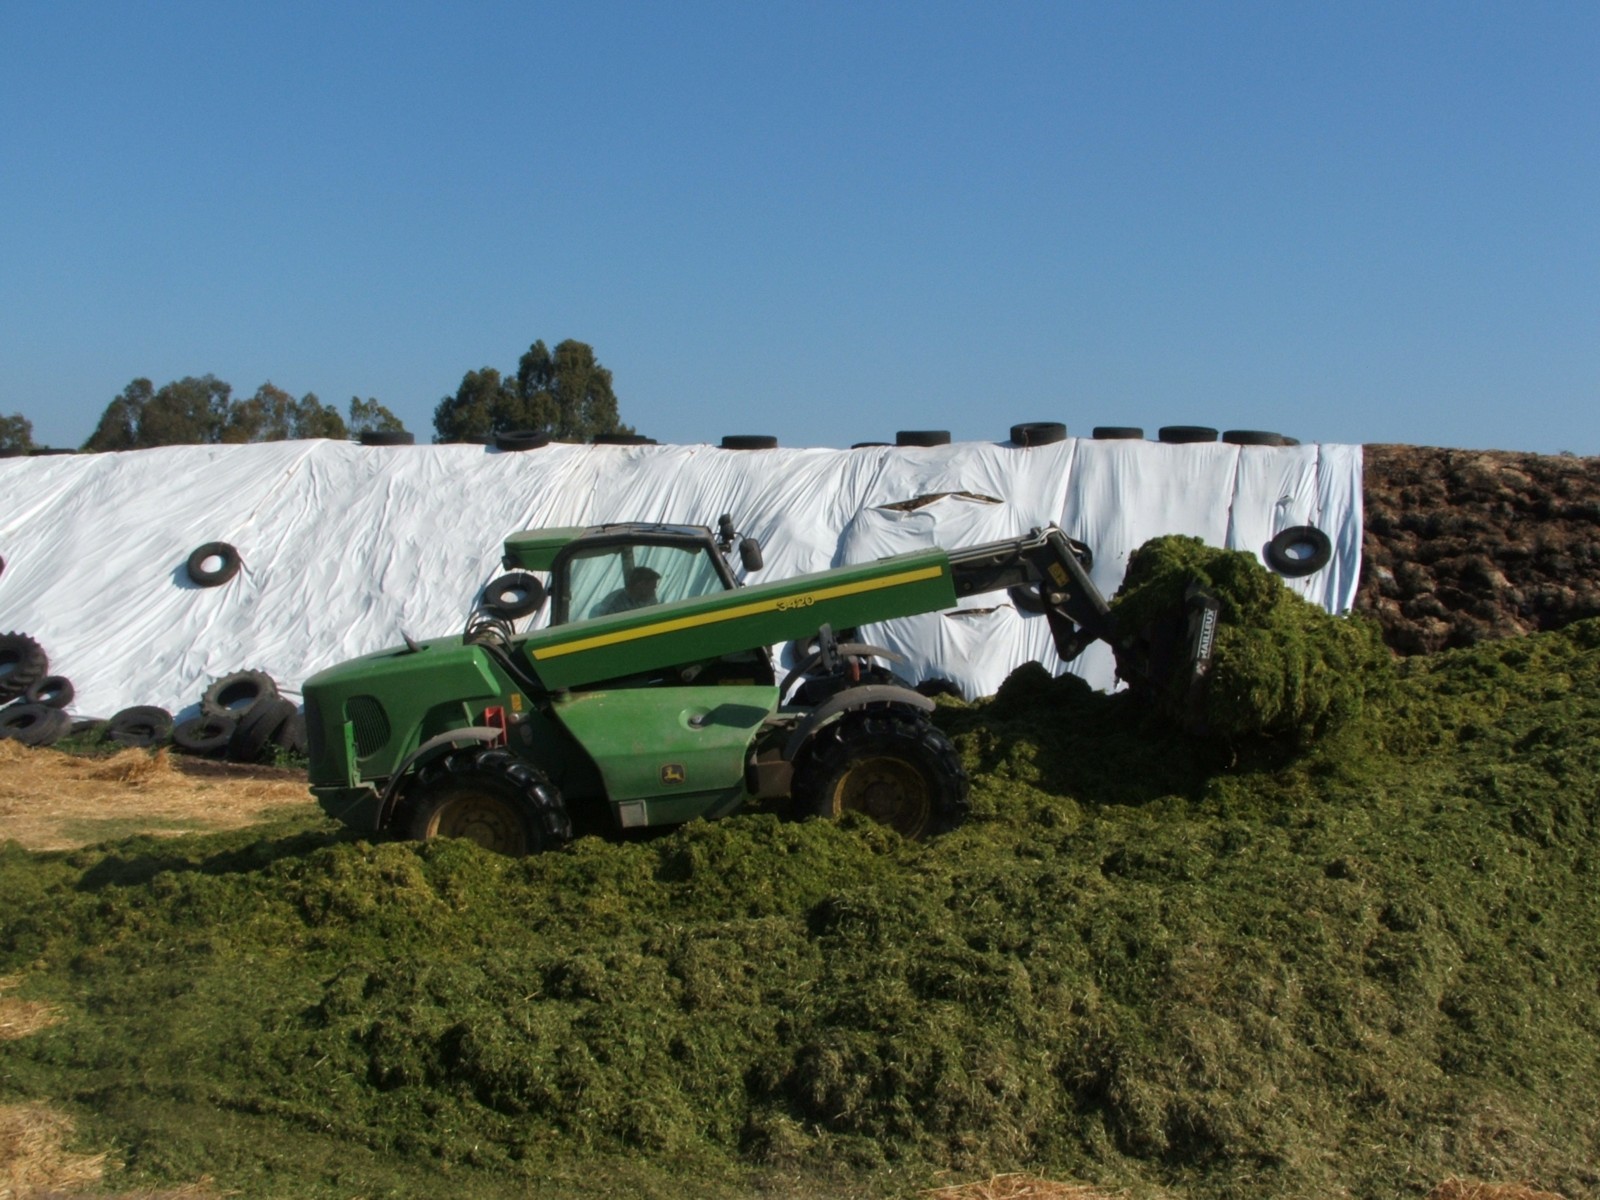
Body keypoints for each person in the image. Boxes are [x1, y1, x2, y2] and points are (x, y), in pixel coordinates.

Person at [592, 566, 660, 616]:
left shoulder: (650, 598)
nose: (653, 592)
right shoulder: (613, 604)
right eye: (652, 588)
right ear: (640, 585)